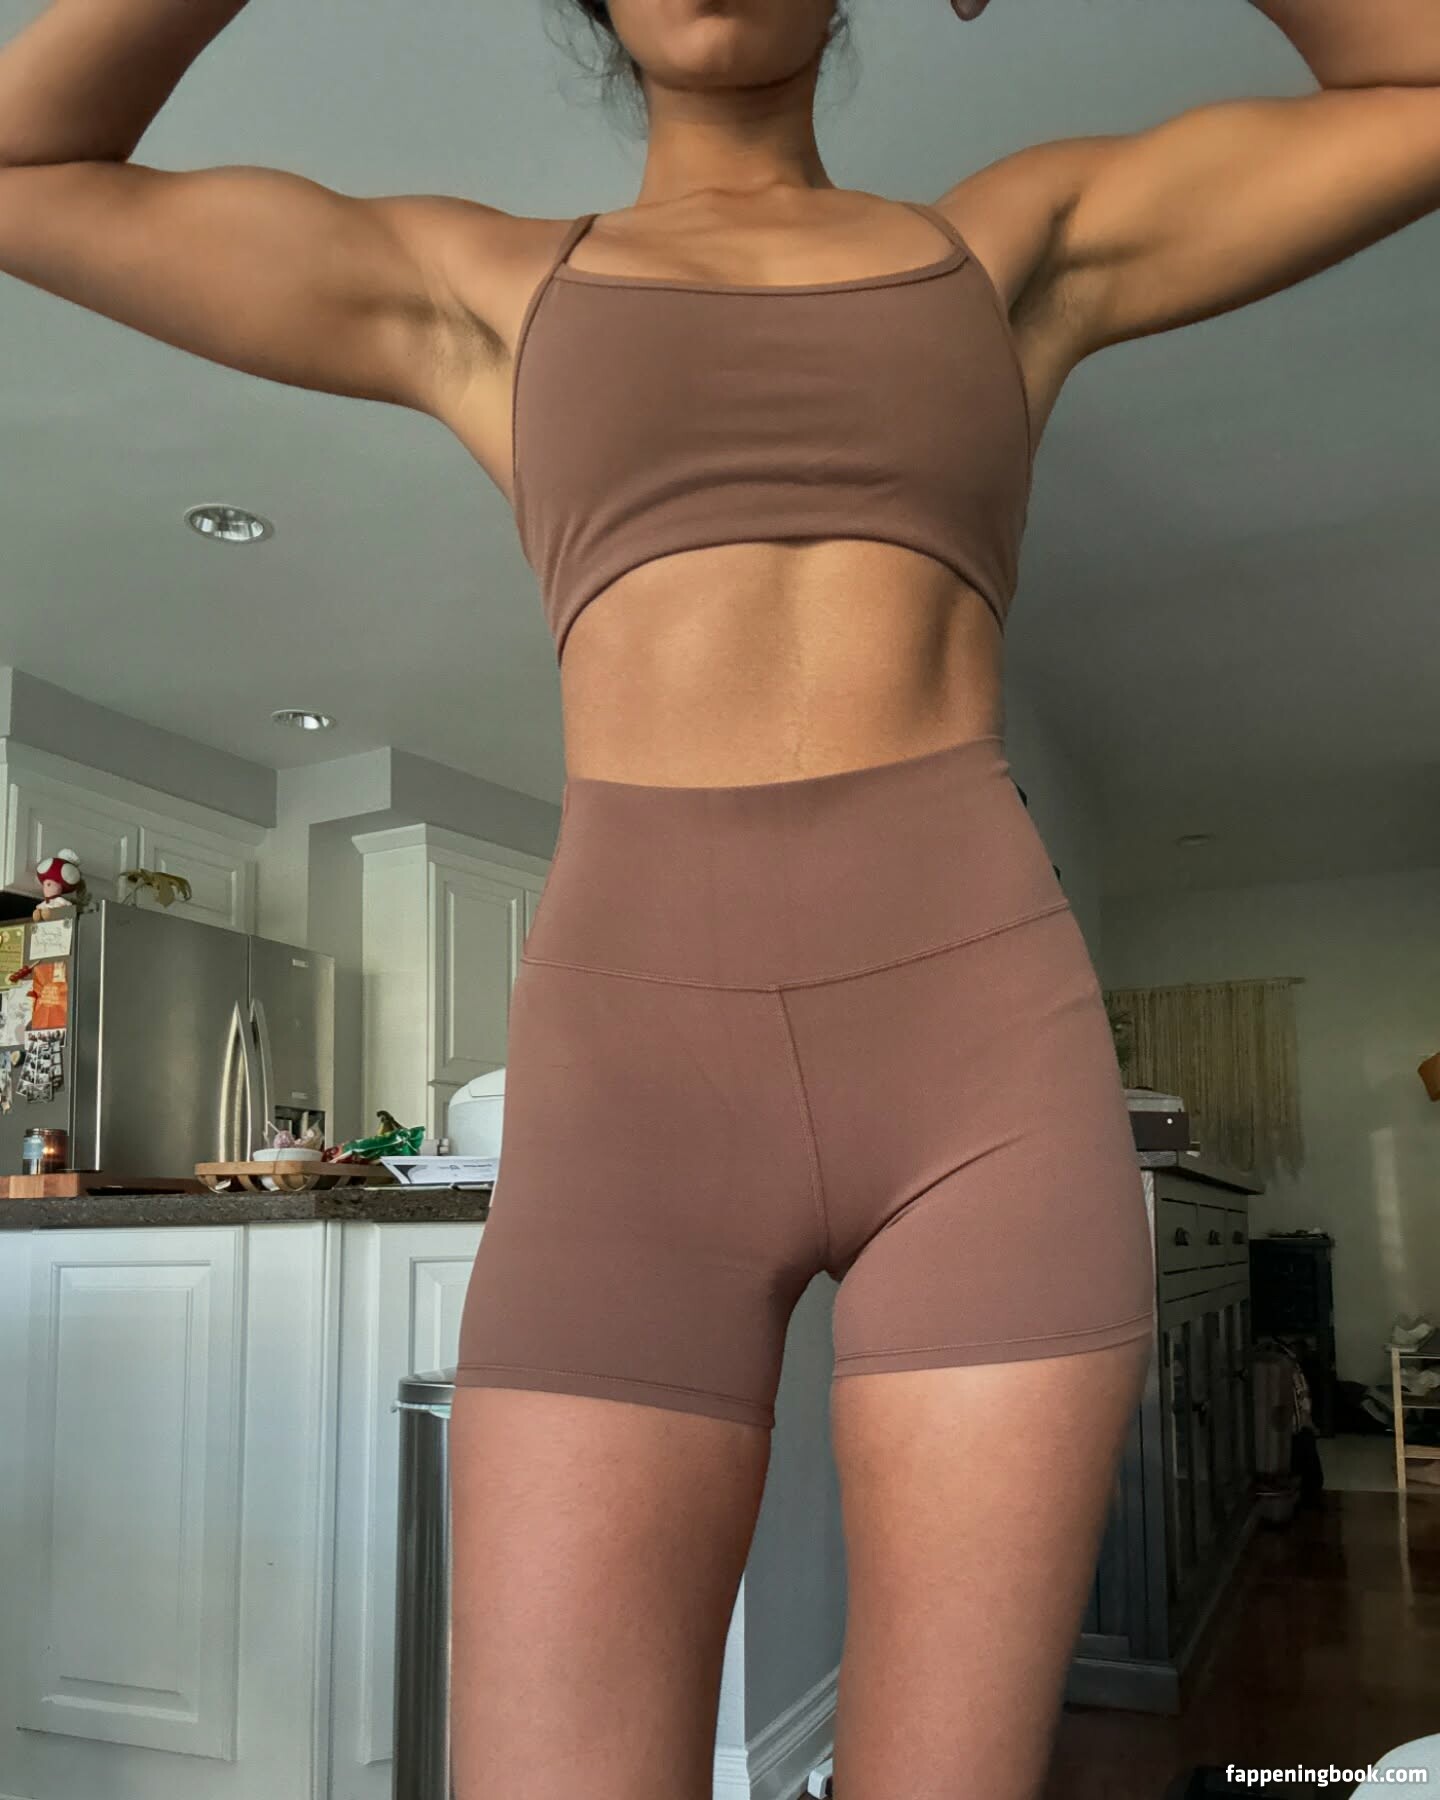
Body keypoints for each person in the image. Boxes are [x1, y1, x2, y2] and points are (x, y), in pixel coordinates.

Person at [0, 3, 1434, 1794]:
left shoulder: (1011, 252)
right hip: (632, 1099)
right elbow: (27, 166)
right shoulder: (489, 288)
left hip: (983, 1072)